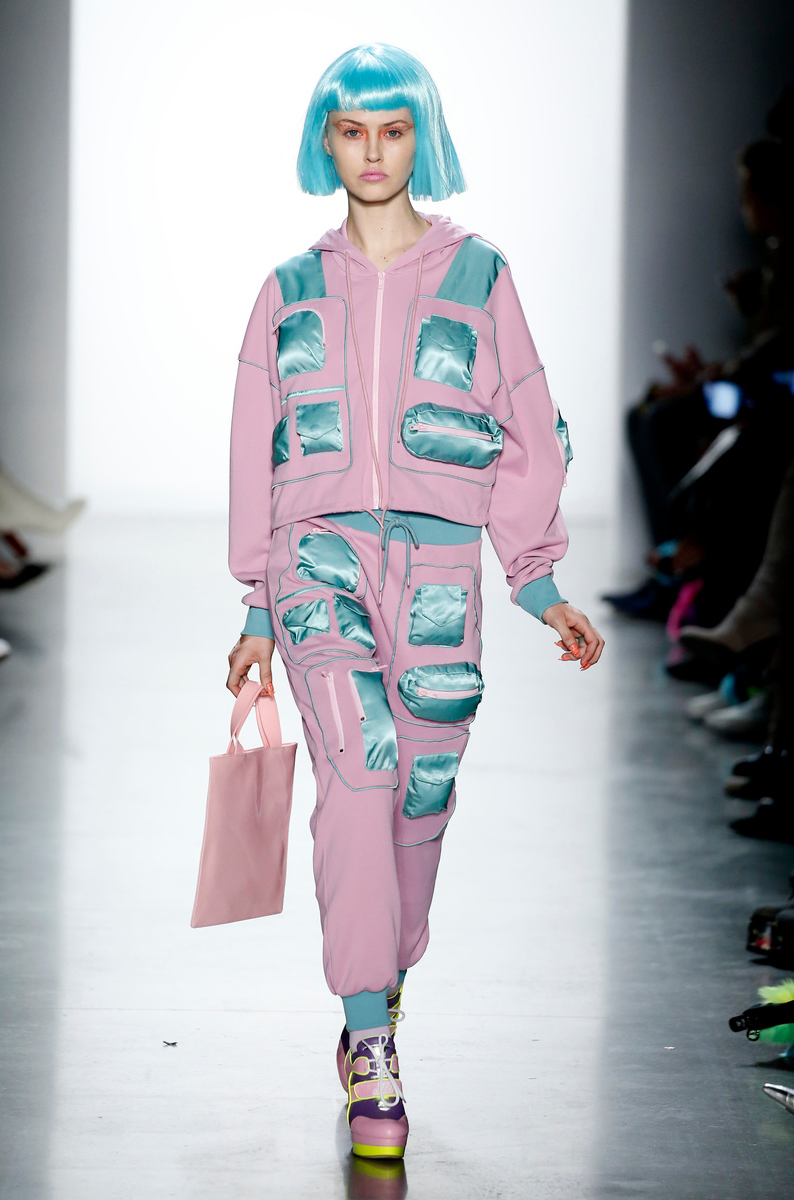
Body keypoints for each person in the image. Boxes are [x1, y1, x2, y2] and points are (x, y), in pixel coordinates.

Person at [224, 43, 604, 1160]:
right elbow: (255, 448)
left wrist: (536, 579)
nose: (373, 151)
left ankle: (380, 984)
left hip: (441, 571)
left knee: (418, 799)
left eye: (393, 130)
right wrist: (257, 607)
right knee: (360, 771)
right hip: (316, 560)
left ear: (419, 139)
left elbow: (529, 423)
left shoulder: (480, 275)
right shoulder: (287, 289)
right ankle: (369, 1039)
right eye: (353, 131)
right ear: (326, 142)